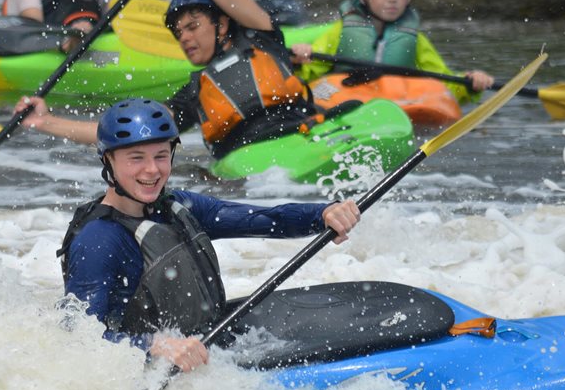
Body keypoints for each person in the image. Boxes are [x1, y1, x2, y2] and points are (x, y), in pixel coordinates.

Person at [57, 98, 361, 372]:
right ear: (108, 160)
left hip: (205, 348)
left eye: (161, 156)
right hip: (153, 377)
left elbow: (266, 219)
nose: (152, 170)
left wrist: (322, 214)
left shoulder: (179, 206)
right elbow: (78, 337)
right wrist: (156, 346)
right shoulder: (98, 239)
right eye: (136, 158)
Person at [14, 0, 320, 160]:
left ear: (222, 24)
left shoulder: (262, 36)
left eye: (193, 26)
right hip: (249, 159)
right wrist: (42, 121)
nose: (184, 37)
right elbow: (123, 130)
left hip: (305, 135)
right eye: (178, 32)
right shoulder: (194, 91)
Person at [290, 0, 493, 103]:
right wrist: (299, 60)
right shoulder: (342, 32)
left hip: (399, 105)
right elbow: (309, 72)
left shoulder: (416, 40)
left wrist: (469, 83)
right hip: (347, 101)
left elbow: (445, 82)